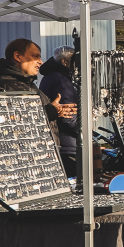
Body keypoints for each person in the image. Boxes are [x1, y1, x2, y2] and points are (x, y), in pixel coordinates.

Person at [0, 38, 77, 157]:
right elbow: (14, 123)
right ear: (18, 56)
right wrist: (51, 111)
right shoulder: (5, 84)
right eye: (35, 56)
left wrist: (56, 111)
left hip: (38, 156)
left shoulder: (24, 83)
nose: (40, 62)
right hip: (23, 159)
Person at [36, 46, 79, 175]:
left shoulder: (55, 77)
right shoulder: (60, 80)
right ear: (64, 62)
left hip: (64, 141)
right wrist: (85, 133)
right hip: (67, 144)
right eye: (74, 60)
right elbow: (69, 116)